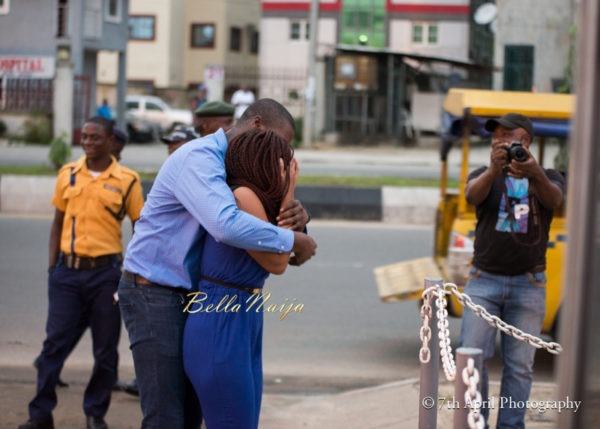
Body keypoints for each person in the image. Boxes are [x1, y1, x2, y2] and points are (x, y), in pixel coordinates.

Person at [118, 98, 316, 429]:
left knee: (191, 416)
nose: (280, 154)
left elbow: (262, 217)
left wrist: (299, 217)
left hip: (193, 297)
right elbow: (226, 225)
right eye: (279, 141)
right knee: (167, 417)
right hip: (154, 292)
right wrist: (295, 240)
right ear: (256, 125)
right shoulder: (201, 157)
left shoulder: (235, 165)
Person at [19, 117, 144, 429]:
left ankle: (94, 415)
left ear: (109, 141)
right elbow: (58, 223)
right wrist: (53, 269)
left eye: (95, 137)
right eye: (85, 136)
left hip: (106, 276)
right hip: (67, 276)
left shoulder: (127, 180)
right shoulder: (68, 175)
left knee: (104, 352)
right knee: (53, 346)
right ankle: (40, 415)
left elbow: (141, 229)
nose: (88, 142)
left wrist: (131, 274)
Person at [183, 128, 300, 429]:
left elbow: (288, 247)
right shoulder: (242, 196)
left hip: (243, 314)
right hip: (222, 318)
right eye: (284, 162)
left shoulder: (256, 199)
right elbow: (278, 262)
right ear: (265, 163)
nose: (288, 169)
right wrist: (288, 194)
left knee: (243, 421)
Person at [459, 113, 565, 429]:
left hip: (529, 283)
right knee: (473, 361)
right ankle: (476, 424)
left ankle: (510, 426)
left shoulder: (549, 176)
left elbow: (555, 200)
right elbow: (471, 195)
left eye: (508, 136)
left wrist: (533, 173)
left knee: (519, 367)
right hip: (484, 280)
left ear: (526, 141)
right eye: (496, 136)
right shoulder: (484, 174)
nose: (499, 141)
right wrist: (494, 169)